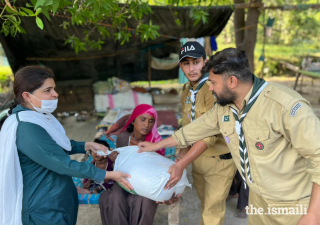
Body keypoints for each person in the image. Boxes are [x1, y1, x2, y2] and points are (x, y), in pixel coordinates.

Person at [138, 48, 320, 225]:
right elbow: (193, 130)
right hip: (258, 200)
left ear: (232, 81)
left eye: (213, 83)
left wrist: (313, 213)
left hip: (293, 204)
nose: (210, 89)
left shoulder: (285, 106)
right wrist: (155, 146)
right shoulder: (225, 108)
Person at [0, 66, 133, 225]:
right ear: (27, 96)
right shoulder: (26, 127)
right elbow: (61, 163)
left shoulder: (36, 117)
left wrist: (85, 145)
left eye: (54, 89)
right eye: (48, 90)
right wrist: (108, 175)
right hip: (44, 208)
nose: (55, 94)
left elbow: (52, 146)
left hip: (56, 198)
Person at [175, 41, 235, 225]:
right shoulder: (187, 91)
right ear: (181, 66)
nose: (192, 68)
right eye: (187, 63)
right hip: (198, 159)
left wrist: (182, 163)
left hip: (219, 161)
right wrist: (181, 156)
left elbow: (210, 133)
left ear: (205, 62)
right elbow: (187, 127)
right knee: (206, 205)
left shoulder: (213, 89)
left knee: (212, 211)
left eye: (196, 62)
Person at [99, 104, 180, 225]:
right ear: (133, 121)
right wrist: (116, 160)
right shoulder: (123, 137)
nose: (146, 125)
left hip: (146, 181)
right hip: (124, 178)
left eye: (151, 121)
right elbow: (120, 163)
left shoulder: (156, 142)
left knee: (143, 201)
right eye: (142, 119)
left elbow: (159, 171)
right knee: (115, 198)